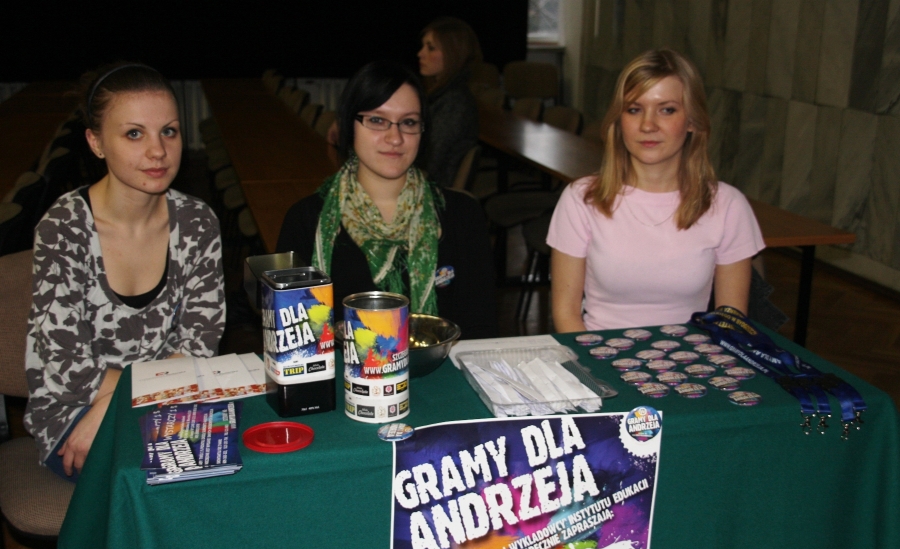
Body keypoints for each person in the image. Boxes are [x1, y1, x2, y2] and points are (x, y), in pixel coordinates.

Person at [25, 63, 225, 480]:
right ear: (96, 142)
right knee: (155, 481)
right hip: (78, 410)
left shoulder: (197, 221)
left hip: (169, 399)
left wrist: (123, 401)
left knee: (221, 470)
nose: (158, 151)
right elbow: (67, 369)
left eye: (168, 131)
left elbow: (198, 347)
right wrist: (124, 401)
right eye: (134, 134)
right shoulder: (63, 228)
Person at [548, 49, 765, 332]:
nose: (648, 125)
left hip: (690, 355)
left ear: (692, 121)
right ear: (619, 120)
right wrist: (594, 360)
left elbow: (730, 324)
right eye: (634, 109)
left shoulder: (727, 205)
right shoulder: (581, 199)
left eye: (667, 110)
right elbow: (566, 314)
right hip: (598, 352)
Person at [277, 60, 496, 339]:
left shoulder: (462, 215)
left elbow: (480, 330)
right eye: (377, 120)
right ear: (349, 125)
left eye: (409, 122)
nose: (395, 138)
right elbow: (291, 334)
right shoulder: (305, 220)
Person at [415, 17, 482, 187]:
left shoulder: (455, 102)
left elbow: (430, 162)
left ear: (453, 53)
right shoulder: (443, 94)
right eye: (423, 46)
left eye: (431, 48)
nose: (420, 53)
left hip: (433, 191)